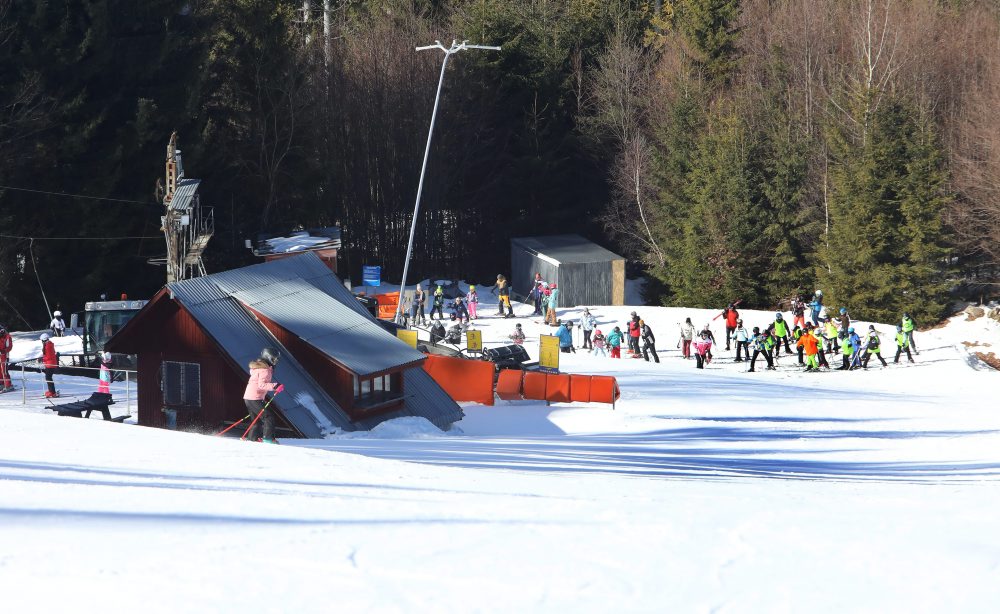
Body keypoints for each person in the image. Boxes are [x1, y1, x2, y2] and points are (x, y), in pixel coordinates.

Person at [243, 347, 283, 444]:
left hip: (249, 397)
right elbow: (261, 385)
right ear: (267, 357)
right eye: (273, 359)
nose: (275, 362)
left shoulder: (260, 368)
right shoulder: (264, 370)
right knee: (269, 417)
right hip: (255, 398)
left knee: (256, 420)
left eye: (276, 359)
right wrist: (275, 386)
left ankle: (252, 439)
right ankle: (268, 439)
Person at [40, 333, 59, 398]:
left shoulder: (48, 346)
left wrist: (43, 361)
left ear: (44, 340)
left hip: (50, 364)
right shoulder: (49, 344)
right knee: (48, 377)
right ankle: (51, 391)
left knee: (48, 378)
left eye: (42, 340)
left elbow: (48, 356)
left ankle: (52, 392)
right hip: (50, 363)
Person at [0, 324, 13, 392]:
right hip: (0, 356)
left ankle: (8, 385)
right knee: (0, 371)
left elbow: (9, 346)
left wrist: (4, 350)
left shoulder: (7, 336)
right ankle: (2, 384)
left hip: (5, 356)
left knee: (4, 371)